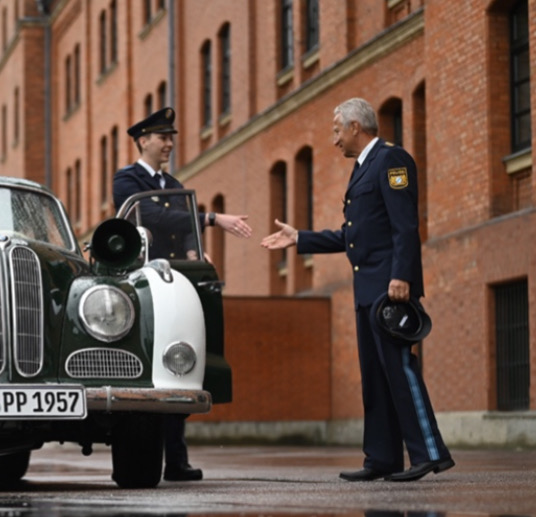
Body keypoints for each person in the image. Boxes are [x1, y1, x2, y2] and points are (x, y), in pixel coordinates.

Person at [261, 97, 454, 482]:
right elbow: (353, 235)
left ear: (355, 127)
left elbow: (405, 226)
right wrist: (301, 238)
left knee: (399, 370)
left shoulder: (391, 160)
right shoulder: (363, 169)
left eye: (336, 130)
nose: (334, 140)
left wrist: (403, 277)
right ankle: (381, 458)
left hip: (389, 289)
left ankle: (429, 453)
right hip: (367, 290)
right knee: (375, 376)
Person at [113, 107, 252, 482]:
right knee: (155, 365)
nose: (169, 144)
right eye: (163, 138)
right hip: (145, 285)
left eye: (171, 138)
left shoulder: (172, 183)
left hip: (176, 282)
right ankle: (154, 458)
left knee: (179, 363)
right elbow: (154, 219)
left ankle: (176, 460)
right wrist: (212, 219)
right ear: (143, 141)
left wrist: (196, 250)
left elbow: (184, 227)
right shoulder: (127, 180)